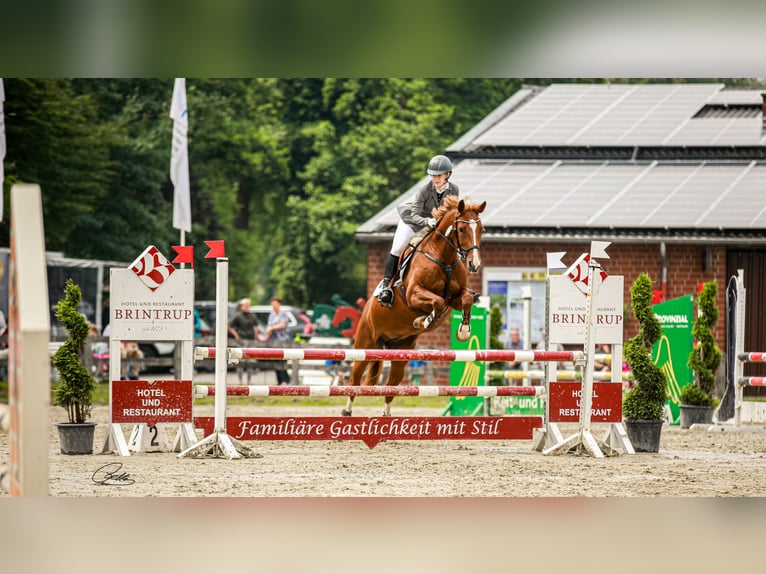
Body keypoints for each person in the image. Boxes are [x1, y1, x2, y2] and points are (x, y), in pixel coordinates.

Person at [376, 154, 460, 307]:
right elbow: (414, 215)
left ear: (448, 174)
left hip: (434, 223)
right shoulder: (424, 190)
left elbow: (451, 213)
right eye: (433, 175)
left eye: (439, 175)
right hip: (412, 221)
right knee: (398, 248)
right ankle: (386, 287)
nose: (435, 179)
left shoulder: (454, 189)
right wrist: (428, 221)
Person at [228, 298, 259, 383]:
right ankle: (240, 380)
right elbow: (229, 325)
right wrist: (236, 335)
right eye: (245, 305)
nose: (247, 307)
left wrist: (256, 336)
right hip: (241, 340)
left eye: (248, 305)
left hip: (250, 340)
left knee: (250, 362)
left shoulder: (252, 316)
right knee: (240, 361)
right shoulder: (238, 316)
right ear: (241, 307)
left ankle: (249, 380)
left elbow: (256, 326)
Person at [263, 295, 291, 385]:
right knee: (275, 360)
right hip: (273, 340)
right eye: (273, 304)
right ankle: (279, 380)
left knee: (282, 360)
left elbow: (282, 325)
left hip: (282, 340)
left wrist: (271, 328)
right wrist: (267, 332)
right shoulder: (272, 315)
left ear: (279, 304)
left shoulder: (283, 314)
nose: (274, 306)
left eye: (275, 304)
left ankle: (285, 379)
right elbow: (268, 326)